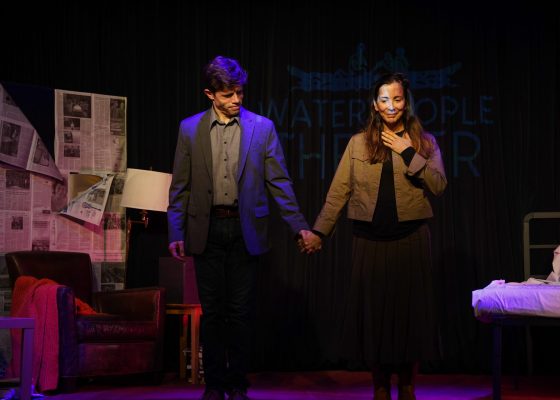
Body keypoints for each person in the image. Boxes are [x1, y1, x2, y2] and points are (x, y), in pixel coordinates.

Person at [167, 55, 318, 400]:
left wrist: (300, 227)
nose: (237, 100)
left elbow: (279, 182)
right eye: (228, 94)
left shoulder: (261, 128)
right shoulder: (189, 129)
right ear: (210, 94)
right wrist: (176, 232)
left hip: (244, 231)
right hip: (205, 231)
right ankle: (214, 384)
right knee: (213, 313)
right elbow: (181, 186)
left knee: (240, 313)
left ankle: (237, 384)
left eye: (240, 92)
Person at [301, 73, 447, 400]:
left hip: (410, 243)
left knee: (410, 322)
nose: (391, 105)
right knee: (374, 322)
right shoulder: (358, 143)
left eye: (397, 99)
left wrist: (409, 152)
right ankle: (380, 389)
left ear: (405, 102)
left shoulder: (424, 141)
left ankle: (407, 389)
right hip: (369, 244)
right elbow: (339, 192)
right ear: (375, 105)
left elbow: (438, 185)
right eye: (384, 99)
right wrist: (319, 231)